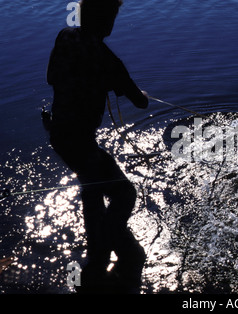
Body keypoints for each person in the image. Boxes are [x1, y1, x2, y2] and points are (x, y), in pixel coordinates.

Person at [46, 0, 148, 293]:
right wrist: (133, 90)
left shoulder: (65, 37)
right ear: (106, 20)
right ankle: (117, 241)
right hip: (81, 143)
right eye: (113, 14)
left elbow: (52, 77)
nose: (114, 20)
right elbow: (140, 102)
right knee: (125, 192)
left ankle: (96, 261)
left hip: (59, 136)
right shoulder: (108, 60)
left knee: (91, 190)